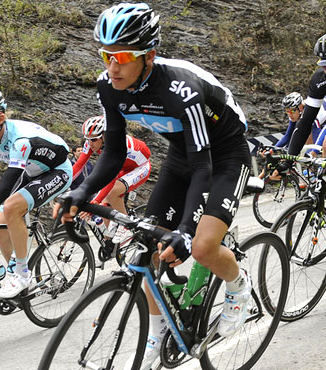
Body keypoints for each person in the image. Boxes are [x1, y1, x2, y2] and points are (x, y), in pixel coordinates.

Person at [58, 3, 252, 368]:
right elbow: (113, 154)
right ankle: (158, 329)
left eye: (123, 57)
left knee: (202, 245)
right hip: (184, 152)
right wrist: (80, 192)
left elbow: (203, 166)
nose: (112, 67)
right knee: (146, 248)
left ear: (149, 55)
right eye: (106, 55)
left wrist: (185, 229)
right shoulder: (109, 86)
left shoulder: (181, 89)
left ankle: (240, 287)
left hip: (224, 154)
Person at [0, 89, 72, 299]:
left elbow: (5, 186)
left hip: (57, 171)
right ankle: (16, 274)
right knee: (0, 228)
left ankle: (22, 274)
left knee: (11, 208)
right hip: (30, 171)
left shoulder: (21, 140)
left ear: (0, 118)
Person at [73, 115, 151, 244]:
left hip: (140, 167)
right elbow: (78, 166)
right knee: (104, 203)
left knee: (111, 192)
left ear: (104, 136)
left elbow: (110, 180)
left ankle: (127, 226)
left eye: (93, 139)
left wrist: (95, 202)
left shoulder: (117, 146)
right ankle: (110, 236)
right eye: (87, 139)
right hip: (123, 168)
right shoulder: (93, 142)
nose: (90, 143)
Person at [275, 34, 326, 173]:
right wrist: (288, 160)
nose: (325, 69)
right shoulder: (319, 80)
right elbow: (304, 123)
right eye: (323, 65)